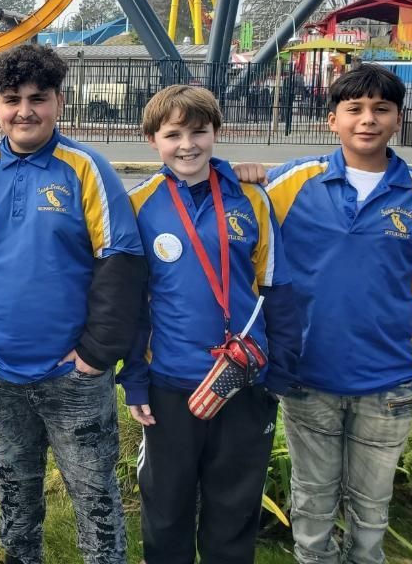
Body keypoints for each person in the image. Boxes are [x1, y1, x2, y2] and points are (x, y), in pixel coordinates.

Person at [259, 64, 412, 564]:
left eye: (381, 109)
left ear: (398, 118)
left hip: (389, 382)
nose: (367, 119)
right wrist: (242, 174)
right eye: (354, 109)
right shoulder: (294, 182)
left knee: (372, 509)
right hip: (306, 377)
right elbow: (242, 234)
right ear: (331, 118)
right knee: (313, 502)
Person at [0, 43, 146, 564]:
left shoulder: (85, 170)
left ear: (59, 101)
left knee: (94, 494)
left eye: (38, 98)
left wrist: (96, 354)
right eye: (12, 99)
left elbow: (120, 262)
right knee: (15, 485)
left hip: (72, 374)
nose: (25, 111)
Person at [118, 84, 299, 564]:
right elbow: (134, 304)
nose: (187, 145)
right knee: (167, 504)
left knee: (234, 505)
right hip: (171, 381)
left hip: (245, 380)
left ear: (217, 132)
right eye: (173, 134)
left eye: (199, 131)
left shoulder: (251, 200)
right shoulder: (140, 206)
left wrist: (277, 374)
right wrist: (135, 380)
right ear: (152, 140)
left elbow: (277, 289)